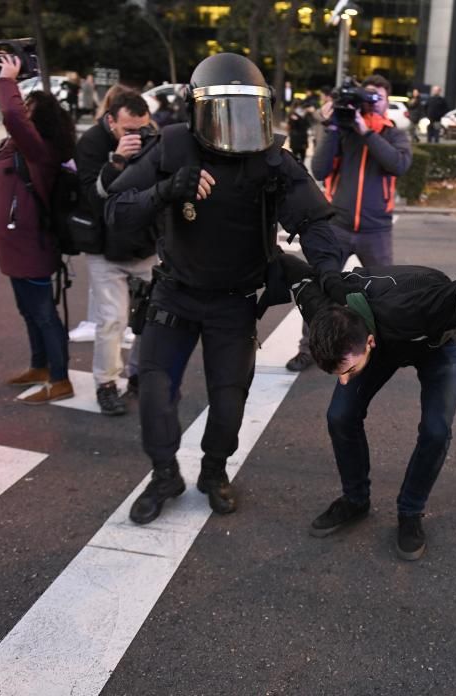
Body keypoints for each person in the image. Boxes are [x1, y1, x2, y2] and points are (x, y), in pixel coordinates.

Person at [104, 53, 342, 524]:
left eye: (246, 112)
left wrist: (330, 275)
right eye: (222, 112)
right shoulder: (172, 146)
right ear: (197, 110)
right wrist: (167, 190)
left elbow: (315, 222)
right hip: (174, 293)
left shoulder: (271, 158)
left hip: (234, 300)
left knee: (229, 399)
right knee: (154, 392)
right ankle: (164, 474)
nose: (235, 128)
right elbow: (117, 211)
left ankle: (214, 471)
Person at [281, 253, 456, 560]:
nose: (344, 381)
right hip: (380, 340)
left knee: (436, 430)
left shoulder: (419, 305)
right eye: (338, 374)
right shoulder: (323, 309)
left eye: (348, 372)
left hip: (436, 343)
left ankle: (410, 511)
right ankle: (355, 500)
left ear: (368, 342)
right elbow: (292, 266)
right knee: (340, 414)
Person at [285, 74, 412, 372]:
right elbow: (319, 167)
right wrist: (331, 128)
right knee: (319, 288)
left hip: (376, 230)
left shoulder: (393, 133)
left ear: (387, 100)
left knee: (384, 293)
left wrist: (367, 132)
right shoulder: (342, 132)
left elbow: (399, 164)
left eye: (377, 97)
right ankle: (309, 349)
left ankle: (381, 351)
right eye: (366, 96)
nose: (371, 102)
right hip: (337, 226)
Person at [0, 55, 77, 403]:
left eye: (29, 108)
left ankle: (60, 378)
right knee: (28, 310)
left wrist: (7, 79)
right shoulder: (19, 147)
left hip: (33, 246)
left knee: (43, 313)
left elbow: (11, 116)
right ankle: (39, 366)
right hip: (14, 247)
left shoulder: (40, 150)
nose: (22, 110)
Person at [75, 90, 159, 416]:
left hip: (144, 244)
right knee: (112, 319)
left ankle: (138, 373)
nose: (136, 136)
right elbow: (94, 199)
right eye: (128, 130)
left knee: (152, 315)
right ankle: (106, 384)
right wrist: (117, 160)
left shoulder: (154, 138)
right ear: (111, 121)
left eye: (142, 128)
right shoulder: (92, 143)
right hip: (105, 247)